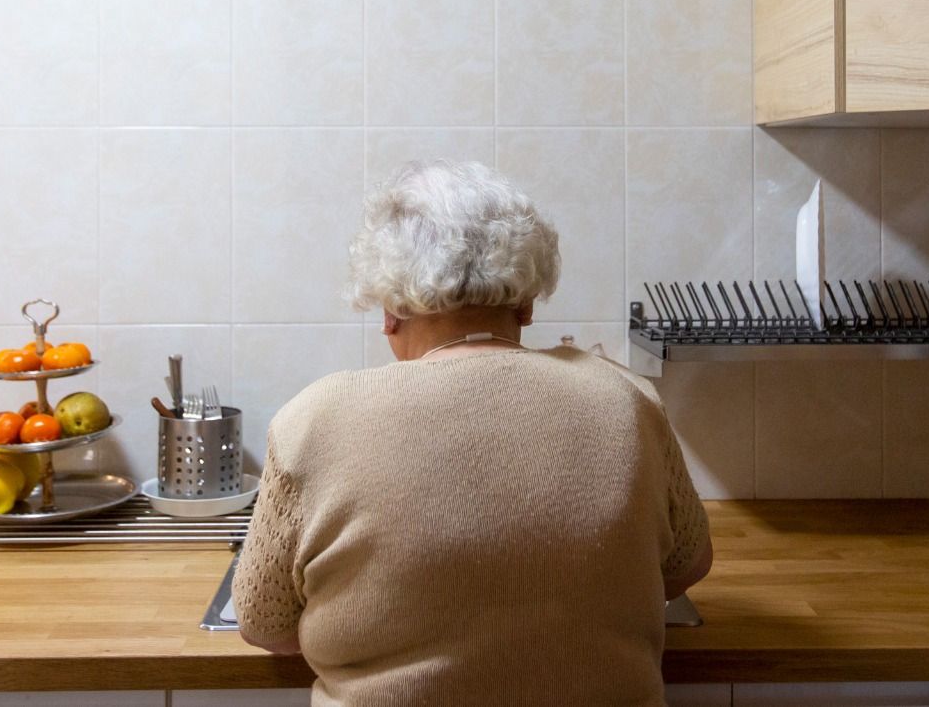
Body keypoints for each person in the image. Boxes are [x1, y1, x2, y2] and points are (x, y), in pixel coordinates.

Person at [235, 159, 712, 705]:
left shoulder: (314, 418)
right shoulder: (627, 399)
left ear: (390, 310)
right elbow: (686, 565)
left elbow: (264, 624)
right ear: (527, 304)